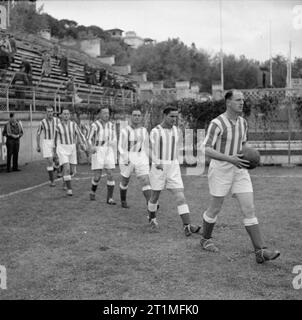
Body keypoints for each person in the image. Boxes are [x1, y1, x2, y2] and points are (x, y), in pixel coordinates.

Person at [200, 89, 280, 263]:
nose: (242, 102)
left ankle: (260, 251)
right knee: (215, 208)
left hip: (240, 168)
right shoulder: (217, 123)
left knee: (249, 208)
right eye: (238, 100)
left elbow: (243, 144)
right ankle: (205, 238)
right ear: (228, 102)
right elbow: (205, 148)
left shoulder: (243, 122)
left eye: (243, 100)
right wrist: (230, 158)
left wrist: (251, 156)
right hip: (221, 168)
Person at [147, 106, 201, 236]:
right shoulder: (155, 131)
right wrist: (156, 161)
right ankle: (152, 218)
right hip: (158, 167)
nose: (174, 119)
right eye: (171, 116)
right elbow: (148, 149)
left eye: (176, 117)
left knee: (180, 196)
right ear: (164, 116)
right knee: (154, 196)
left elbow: (177, 148)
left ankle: (187, 226)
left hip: (173, 167)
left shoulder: (177, 131)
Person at [118, 108, 152, 208]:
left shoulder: (144, 130)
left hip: (140, 156)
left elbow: (146, 146)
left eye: (138, 115)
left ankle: (150, 205)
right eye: (134, 115)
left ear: (141, 117)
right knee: (125, 180)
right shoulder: (125, 131)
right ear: (130, 117)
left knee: (145, 180)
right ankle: (123, 200)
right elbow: (120, 146)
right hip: (128, 156)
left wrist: (152, 158)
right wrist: (125, 157)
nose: (137, 117)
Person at [53, 108, 87, 196]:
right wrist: (54, 152)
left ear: (70, 115)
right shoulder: (58, 126)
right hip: (62, 148)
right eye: (64, 114)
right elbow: (55, 140)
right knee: (66, 168)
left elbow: (79, 134)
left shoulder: (73, 124)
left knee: (72, 171)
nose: (66, 115)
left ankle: (65, 180)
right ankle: (69, 189)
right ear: (61, 115)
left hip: (72, 148)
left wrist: (82, 144)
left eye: (67, 114)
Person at [87, 106, 117, 204]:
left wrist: (112, 143)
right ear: (99, 114)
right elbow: (89, 138)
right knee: (97, 176)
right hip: (98, 150)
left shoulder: (112, 125)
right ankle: (92, 191)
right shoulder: (95, 125)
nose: (106, 115)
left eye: (107, 113)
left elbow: (114, 138)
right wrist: (91, 147)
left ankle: (110, 198)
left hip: (108, 151)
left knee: (110, 174)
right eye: (104, 113)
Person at [36, 106, 61, 187]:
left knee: (57, 160)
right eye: (48, 111)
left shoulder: (57, 120)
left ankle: (57, 168)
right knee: (50, 161)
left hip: (56, 141)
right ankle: (52, 181)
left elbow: (62, 130)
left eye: (51, 111)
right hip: (47, 142)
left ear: (53, 112)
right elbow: (38, 134)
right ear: (46, 113)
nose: (50, 113)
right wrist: (38, 145)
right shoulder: (42, 122)